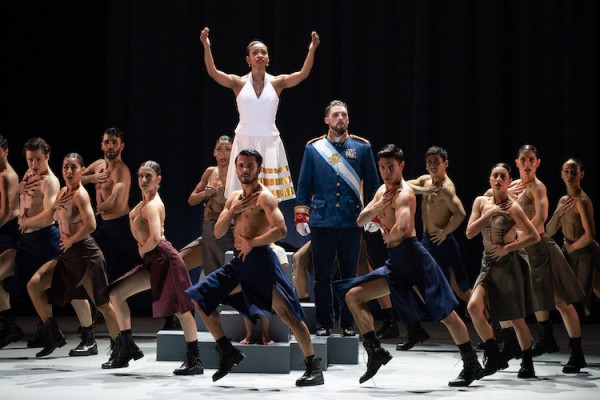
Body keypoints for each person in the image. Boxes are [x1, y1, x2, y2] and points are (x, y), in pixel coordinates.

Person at [335, 144, 483, 387]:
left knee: (447, 315)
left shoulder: (405, 193)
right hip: (396, 263)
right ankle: (376, 352)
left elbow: (402, 229)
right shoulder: (382, 191)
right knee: (353, 296)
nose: (386, 172)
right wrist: (378, 207)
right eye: (382, 167)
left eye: (390, 167)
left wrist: (387, 234)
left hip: (415, 259)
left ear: (401, 166)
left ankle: (471, 364)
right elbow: (360, 219)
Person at [185, 149, 324, 386]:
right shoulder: (234, 198)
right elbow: (218, 232)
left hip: (262, 262)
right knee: (198, 298)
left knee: (288, 315)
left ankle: (313, 366)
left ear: (258, 169)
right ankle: (227, 351)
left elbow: (281, 230)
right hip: (240, 262)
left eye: (250, 165)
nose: (245, 170)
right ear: (236, 168)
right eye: (241, 165)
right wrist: (232, 211)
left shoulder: (265, 197)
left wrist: (253, 242)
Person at [101, 161, 202, 376]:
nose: (144, 180)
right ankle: (127, 345)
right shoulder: (141, 203)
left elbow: (156, 238)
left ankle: (194, 359)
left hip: (164, 258)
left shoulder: (154, 205)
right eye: (141, 176)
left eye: (149, 176)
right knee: (116, 293)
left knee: (181, 309)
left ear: (159, 179)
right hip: (152, 260)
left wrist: (142, 250)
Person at [199, 27, 320, 200]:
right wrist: (206, 46)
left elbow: (302, 74)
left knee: (268, 197)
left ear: (268, 58)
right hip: (244, 139)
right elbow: (213, 73)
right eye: (255, 52)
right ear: (248, 59)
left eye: (264, 52)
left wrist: (312, 48)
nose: (260, 55)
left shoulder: (277, 83)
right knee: (242, 194)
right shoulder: (238, 83)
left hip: (269, 141)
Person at [21, 153, 120, 357]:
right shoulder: (64, 192)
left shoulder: (80, 195)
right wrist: (32, 220)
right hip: (69, 255)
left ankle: (122, 345)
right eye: (65, 167)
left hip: (86, 254)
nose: (68, 171)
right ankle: (53, 334)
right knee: (34, 284)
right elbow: (50, 216)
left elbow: (91, 224)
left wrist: (71, 239)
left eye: (73, 167)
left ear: (82, 170)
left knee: (102, 305)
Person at [295, 100, 380, 336]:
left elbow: (373, 185)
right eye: (335, 115)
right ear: (327, 120)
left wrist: (375, 215)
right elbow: (304, 184)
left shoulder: (362, 148)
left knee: (349, 276)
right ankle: (323, 323)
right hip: (322, 220)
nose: (340, 118)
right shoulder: (314, 148)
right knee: (322, 277)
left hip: (351, 220)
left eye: (344, 115)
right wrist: (302, 215)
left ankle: (348, 324)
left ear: (348, 119)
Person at [506, 146, 586, 373]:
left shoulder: (538, 187)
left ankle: (577, 353)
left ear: (538, 162)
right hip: (524, 250)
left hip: (540, 246)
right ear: (518, 162)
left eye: (531, 159)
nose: (527, 163)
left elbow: (540, 220)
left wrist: (520, 233)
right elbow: (490, 195)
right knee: (537, 297)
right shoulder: (515, 186)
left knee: (561, 301)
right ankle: (545, 339)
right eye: (523, 159)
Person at [466, 163, 540, 379]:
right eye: (495, 175)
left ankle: (527, 360)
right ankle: (493, 356)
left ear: (508, 181)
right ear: (490, 179)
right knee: (473, 307)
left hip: (507, 265)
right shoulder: (481, 202)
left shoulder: (513, 207)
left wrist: (508, 248)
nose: (498, 179)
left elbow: (533, 235)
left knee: (515, 318)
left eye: (503, 176)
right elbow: (470, 232)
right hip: (487, 263)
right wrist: (489, 213)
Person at [399, 146, 472, 350]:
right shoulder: (425, 181)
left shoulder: (447, 188)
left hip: (442, 242)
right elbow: (402, 184)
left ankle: (491, 326)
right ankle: (415, 329)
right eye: (429, 161)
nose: (432, 165)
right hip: (426, 241)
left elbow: (460, 213)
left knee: (461, 289)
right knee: (412, 279)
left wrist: (445, 232)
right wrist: (425, 190)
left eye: (436, 162)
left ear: (445, 164)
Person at [78, 128, 144, 339]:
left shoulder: (122, 171)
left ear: (121, 146)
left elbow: (116, 202)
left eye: (114, 142)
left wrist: (97, 207)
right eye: (107, 142)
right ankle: (100, 312)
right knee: (94, 266)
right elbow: (76, 177)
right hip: (103, 228)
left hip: (121, 227)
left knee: (145, 263)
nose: (110, 146)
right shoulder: (98, 165)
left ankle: (171, 310)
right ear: (102, 144)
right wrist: (92, 178)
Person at [0, 138, 61, 350]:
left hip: (45, 239)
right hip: (27, 241)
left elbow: (49, 216)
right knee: (29, 287)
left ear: (47, 156)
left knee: (65, 289)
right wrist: (17, 191)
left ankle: (78, 332)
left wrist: (26, 222)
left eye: (37, 160)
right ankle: (47, 331)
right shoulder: (27, 175)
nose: (33, 165)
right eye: (29, 160)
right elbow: (14, 205)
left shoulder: (50, 181)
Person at [546, 158, 600, 317]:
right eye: (566, 172)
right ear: (562, 175)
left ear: (581, 174)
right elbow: (548, 232)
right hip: (572, 255)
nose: (570, 176)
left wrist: (571, 248)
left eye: (574, 172)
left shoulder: (581, 201)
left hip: (586, 254)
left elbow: (590, 235)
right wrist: (557, 213)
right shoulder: (563, 201)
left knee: (594, 289)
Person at [179, 135, 234, 277]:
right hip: (209, 231)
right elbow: (191, 200)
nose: (222, 153)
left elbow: (240, 210)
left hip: (229, 232)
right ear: (214, 152)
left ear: (234, 151)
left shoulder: (237, 175)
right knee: (177, 262)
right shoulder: (210, 172)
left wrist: (213, 215)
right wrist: (205, 193)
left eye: (227, 149)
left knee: (222, 274)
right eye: (219, 149)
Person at [240, 242, 288, 345]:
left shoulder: (278, 250)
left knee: (265, 294)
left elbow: (279, 275)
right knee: (246, 294)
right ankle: (249, 334)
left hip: (272, 287)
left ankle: (265, 335)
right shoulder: (251, 248)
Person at [0, 135, 20, 348]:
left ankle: (10, 327)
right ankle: (9, 326)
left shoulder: (7, 175)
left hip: (10, 235)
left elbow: (6, 212)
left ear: (5, 151)